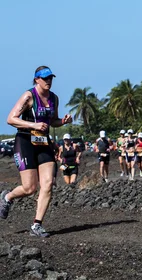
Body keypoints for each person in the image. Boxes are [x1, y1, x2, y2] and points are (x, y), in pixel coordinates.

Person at [1, 66, 73, 237]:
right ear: (36, 80)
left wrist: (63, 121)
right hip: (25, 140)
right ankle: (7, 198)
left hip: (43, 142)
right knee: (30, 188)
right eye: (45, 78)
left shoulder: (54, 98)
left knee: (48, 184)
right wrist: (34, 125)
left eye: (51, 78)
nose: (49, 81)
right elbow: (11, 119)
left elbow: (52, 121)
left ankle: (37, 225)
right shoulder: (29, 96)